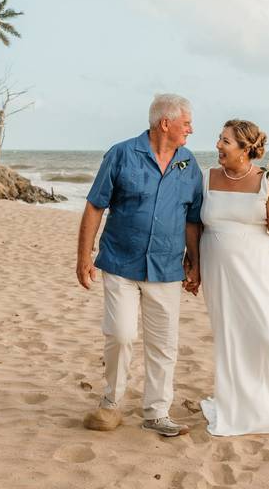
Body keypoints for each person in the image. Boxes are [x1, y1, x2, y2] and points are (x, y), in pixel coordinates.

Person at [76, 94, 203, 437]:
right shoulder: (121, 154)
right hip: (120, 262)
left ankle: (157, 411)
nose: (191, 128)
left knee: (164, 344)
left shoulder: (189, 164)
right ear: (166, 123)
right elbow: (94, 207)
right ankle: (111, 403)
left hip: (166, 267)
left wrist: (195, 263)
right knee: (121, 334)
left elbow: (192, 220)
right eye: (186, 122)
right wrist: (83, 256)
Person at [193, 119, 269, 436]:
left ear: (245, 149)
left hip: (257, 270)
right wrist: (191, 264)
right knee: (231, 337)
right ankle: (234, 405)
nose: (218, 146)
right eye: (219, 139)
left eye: (225, 142)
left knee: (267, 335)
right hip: (218, 270)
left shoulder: (266, 181)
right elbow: (194, 223)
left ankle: (267, 408)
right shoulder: (206, 178)